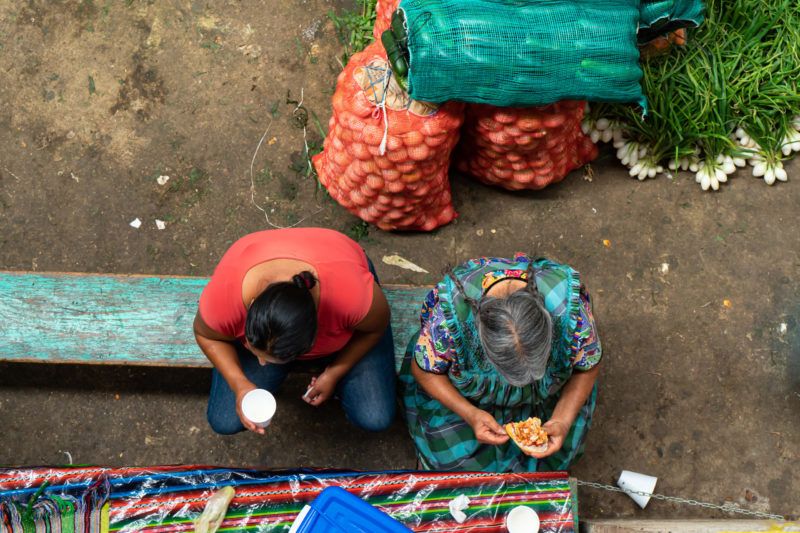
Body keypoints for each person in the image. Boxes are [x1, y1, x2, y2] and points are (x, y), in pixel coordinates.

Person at [399, 253, 601, 471]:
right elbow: (426, 372)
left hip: (547, 397)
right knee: (453, 459)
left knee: (556, 454)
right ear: (482, 342)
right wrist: (470, 414)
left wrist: (562, 419)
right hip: (472, 401)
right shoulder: (448, 326)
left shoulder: (572, 316)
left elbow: (586, 368)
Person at [195, 228, 396, 435]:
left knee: (376, 416)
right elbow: (205, 334)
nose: (261, 363)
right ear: (253, 305)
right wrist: (239, 384)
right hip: (256, 252)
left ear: (313, 343)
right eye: (252, 348)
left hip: (340, 259)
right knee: (225, 420)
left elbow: (374, 329)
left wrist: (334, 372)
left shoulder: (353, 297)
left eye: (267, 358)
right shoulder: (224, 298)